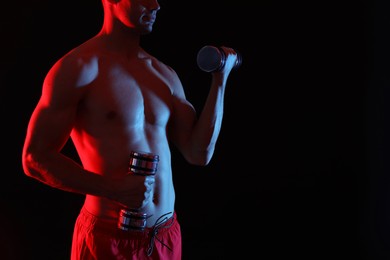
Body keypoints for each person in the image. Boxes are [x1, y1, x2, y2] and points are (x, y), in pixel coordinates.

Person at [21, 0, 239, 259]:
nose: (156, 5)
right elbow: (35, 159)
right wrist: (113, 189)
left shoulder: (164, 74)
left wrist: (220, 80)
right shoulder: (79, 68)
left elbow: (198, 153)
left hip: (165, 238)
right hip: (108, 239)